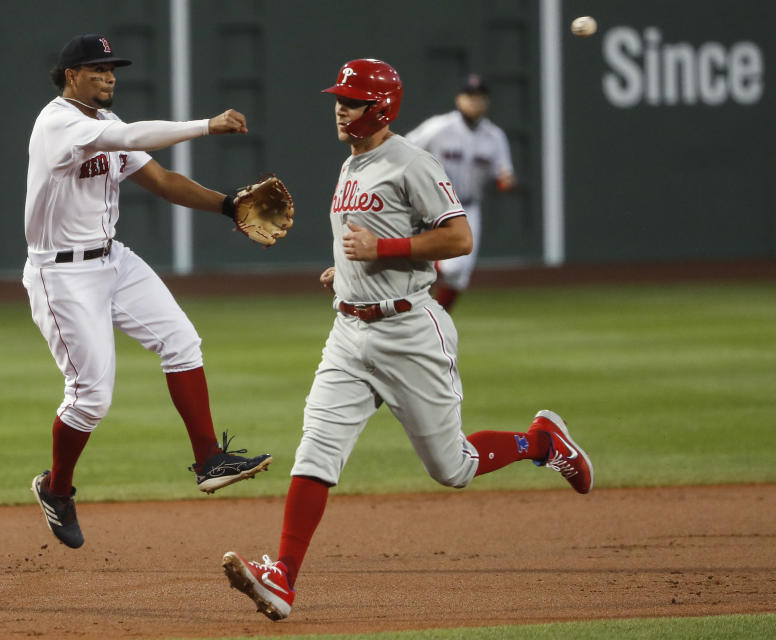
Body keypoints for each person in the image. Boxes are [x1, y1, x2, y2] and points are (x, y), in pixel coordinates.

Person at [220, 58, 593, 621]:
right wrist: (343, 273)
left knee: (454, 468)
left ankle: (541, 442)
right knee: (316, 448)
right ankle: (284, 579)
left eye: (353, 101)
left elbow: (459, 237)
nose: (340, 108)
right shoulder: (350, 167)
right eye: (339, 99)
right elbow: (362, 243)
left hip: (410, 331)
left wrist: (382, 253)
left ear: (383, 107)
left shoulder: (412, 162)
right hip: (348, 332)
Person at [24, 33, 273, 549]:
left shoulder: (107, 123)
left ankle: (209, 460)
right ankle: (57, 489)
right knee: (91, 396)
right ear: (72, 76)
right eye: (98, 68)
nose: (110, 76)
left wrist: (228, 205)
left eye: (113, 68)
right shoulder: (57, 122)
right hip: (62, 274)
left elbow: (161, 181)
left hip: (111, 258)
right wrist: (207, 125)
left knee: (182, 342)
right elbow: (135, 138)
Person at [405, 73, 515, 310]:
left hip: (468, 207)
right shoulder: (439, 127)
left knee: (458, 276)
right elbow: (404, 148)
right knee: (452, 266)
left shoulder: (495, 137)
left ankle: (434, 319)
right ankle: (417, 292)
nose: (475, 102)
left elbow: (504, 174)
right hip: (435, 204)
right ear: (459, 99)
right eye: (470, 96)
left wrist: (505, 181)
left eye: (480, 97)